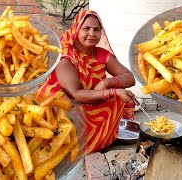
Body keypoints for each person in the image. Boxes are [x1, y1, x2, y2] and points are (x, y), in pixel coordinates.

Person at [36, 9, 136, 156]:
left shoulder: (101, 53)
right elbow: (75, 94)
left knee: (118, 100)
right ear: (76, 29)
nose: (92, 34)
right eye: (86, 29)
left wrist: (108, 83)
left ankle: (99, 142)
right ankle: (75, 145)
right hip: (69, 109)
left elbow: (130, 78)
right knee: (115, 95)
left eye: (96, 29)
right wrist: (113, 91)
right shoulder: (66, 56)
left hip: (92, 101)